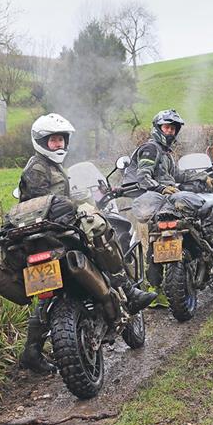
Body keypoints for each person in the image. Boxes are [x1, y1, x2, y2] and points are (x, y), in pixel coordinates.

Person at [17, 113, 156, 373]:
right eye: (53, 141)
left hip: (43, 237)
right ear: (41, 142)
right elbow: (48, 203)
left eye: (61, 140)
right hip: (54, 232)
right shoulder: (37, 168)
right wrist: (80, 205)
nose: (58, 145)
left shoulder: (46, 166)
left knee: (45, 298)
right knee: (101, 233)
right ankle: (126, 287)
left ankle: (32, 350)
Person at [124, 109, 213, 306]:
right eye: (166, 127)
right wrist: (162, 188)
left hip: (156, 203)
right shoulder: (151, 148)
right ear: (157, 128)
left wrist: (202, 177)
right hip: (157, 198)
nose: (170, 132)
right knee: (205, 207)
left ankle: (155, 292)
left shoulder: (165, 153)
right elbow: (143, 176)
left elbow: (178, 176)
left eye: (173, 129)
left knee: (155, 246)